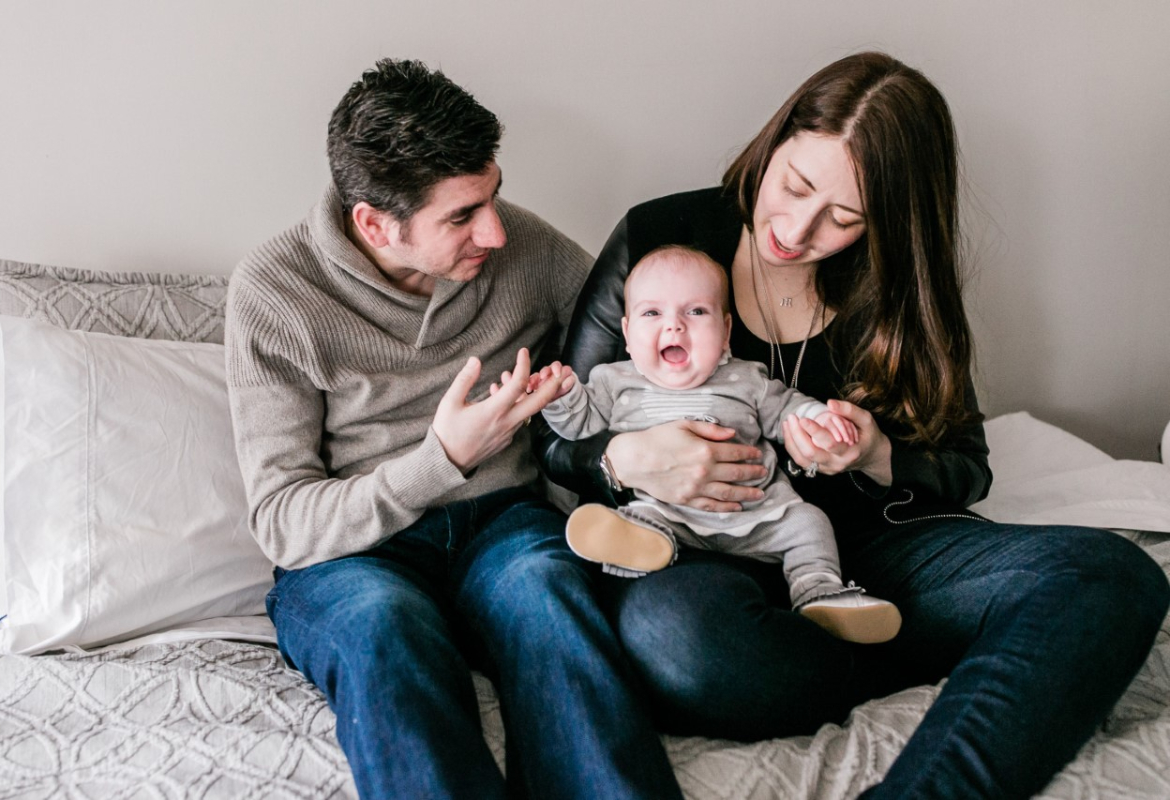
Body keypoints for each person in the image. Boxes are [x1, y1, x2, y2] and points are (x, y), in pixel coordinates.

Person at [534, 51, 1170, 799]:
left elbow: (966, 467)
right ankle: (917, 650)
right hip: (693, 545)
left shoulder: (898, 286)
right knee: (679, 648)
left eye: (843, 217)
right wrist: (629, 460)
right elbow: (558, 435)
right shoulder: (663, 237)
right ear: (775, 144)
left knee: (1112, 577)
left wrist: (874, 454)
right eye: (796, 185)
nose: (797, 230)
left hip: (873, 550)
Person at [225, 59, 683, 799]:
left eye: (493, 196)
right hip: (355, 557)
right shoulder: (276, 293)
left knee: (548, 600)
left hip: (503, 527)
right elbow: (282, 521)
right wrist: (443, 458)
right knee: (385, 631)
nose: (496, 231)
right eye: (462, 215)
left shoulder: (525, 251)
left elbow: (642, 334)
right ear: (375, 223)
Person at [535, 244, 900, 644]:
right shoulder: (612, 381)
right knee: (643, 514)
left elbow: (789, 411)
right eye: (652, 313)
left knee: (810, 523)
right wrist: (559, 396)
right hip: (669, 515)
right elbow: (578, 426)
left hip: (762, 516)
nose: (674, 326)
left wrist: (822, 421)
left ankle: (819, 590)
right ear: (626, 333)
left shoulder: (748, 380)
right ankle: (638, 546)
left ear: (725, 332)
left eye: (695, 312)